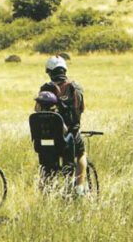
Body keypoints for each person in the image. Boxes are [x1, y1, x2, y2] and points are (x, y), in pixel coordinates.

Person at [35, 55, 88, 196]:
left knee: (46, 166)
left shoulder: (45, 89)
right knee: (81, 154)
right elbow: (81, 109)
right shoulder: (75, 88)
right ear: (64, 70)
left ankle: (44, 194)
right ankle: (79, 189)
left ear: (49, 72)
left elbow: (37, 110)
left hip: (46, 137)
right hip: (69, 137)